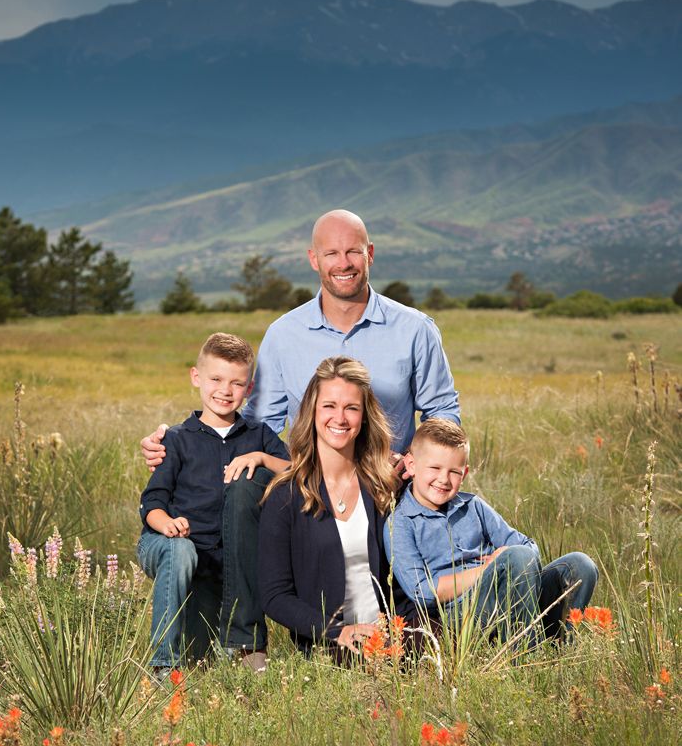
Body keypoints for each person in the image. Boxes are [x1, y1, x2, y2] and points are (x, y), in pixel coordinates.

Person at [141, 208, 460, 470]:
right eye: (331, 253)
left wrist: (413, 460)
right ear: (314, 259)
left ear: (370, 254)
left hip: (390, 485)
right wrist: (177, 444)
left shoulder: (415, 330)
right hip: (307, 489)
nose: (344, 263)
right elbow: (257, 425)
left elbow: (442, 411)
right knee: (244, 491)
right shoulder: (283, 335)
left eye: (353, 251)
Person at [137, 332, 289, 675]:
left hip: (228, 561)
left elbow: (297, 471)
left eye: (237, 383)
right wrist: (168, 525)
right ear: (196, 378)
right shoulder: (176, 439)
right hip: (178, 548)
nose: (225, 390)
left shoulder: (259, 435)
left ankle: (244, 647)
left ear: (249, 390)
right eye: (216, 379)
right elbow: (153, 501)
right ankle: (163, 666)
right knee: (180, 552)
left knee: (201, 661)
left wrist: (262, 458)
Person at [384, 419, 598, 646]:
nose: (444, 479)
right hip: (461, 613)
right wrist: (487, 569)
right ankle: (523, 655)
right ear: (411, 465)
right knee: (516, 558)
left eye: (454, 472)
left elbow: (529, 547)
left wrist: (505, 563)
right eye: (434, 468)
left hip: (506, 591)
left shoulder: (473, 506)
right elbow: (423, 592)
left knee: (580, 565)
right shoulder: (400, 523)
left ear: (464, 473)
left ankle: (561, 646)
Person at [258, 356, 408, 656]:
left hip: (393, 638)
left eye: (351, 408)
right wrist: (335, 631)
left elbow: (410, 574)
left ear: (364, 416)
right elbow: (274, 596)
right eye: (329, 406)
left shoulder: (385, 485)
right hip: (329, 647)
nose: (339, 418)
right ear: (312, 411)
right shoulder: (285, 496)